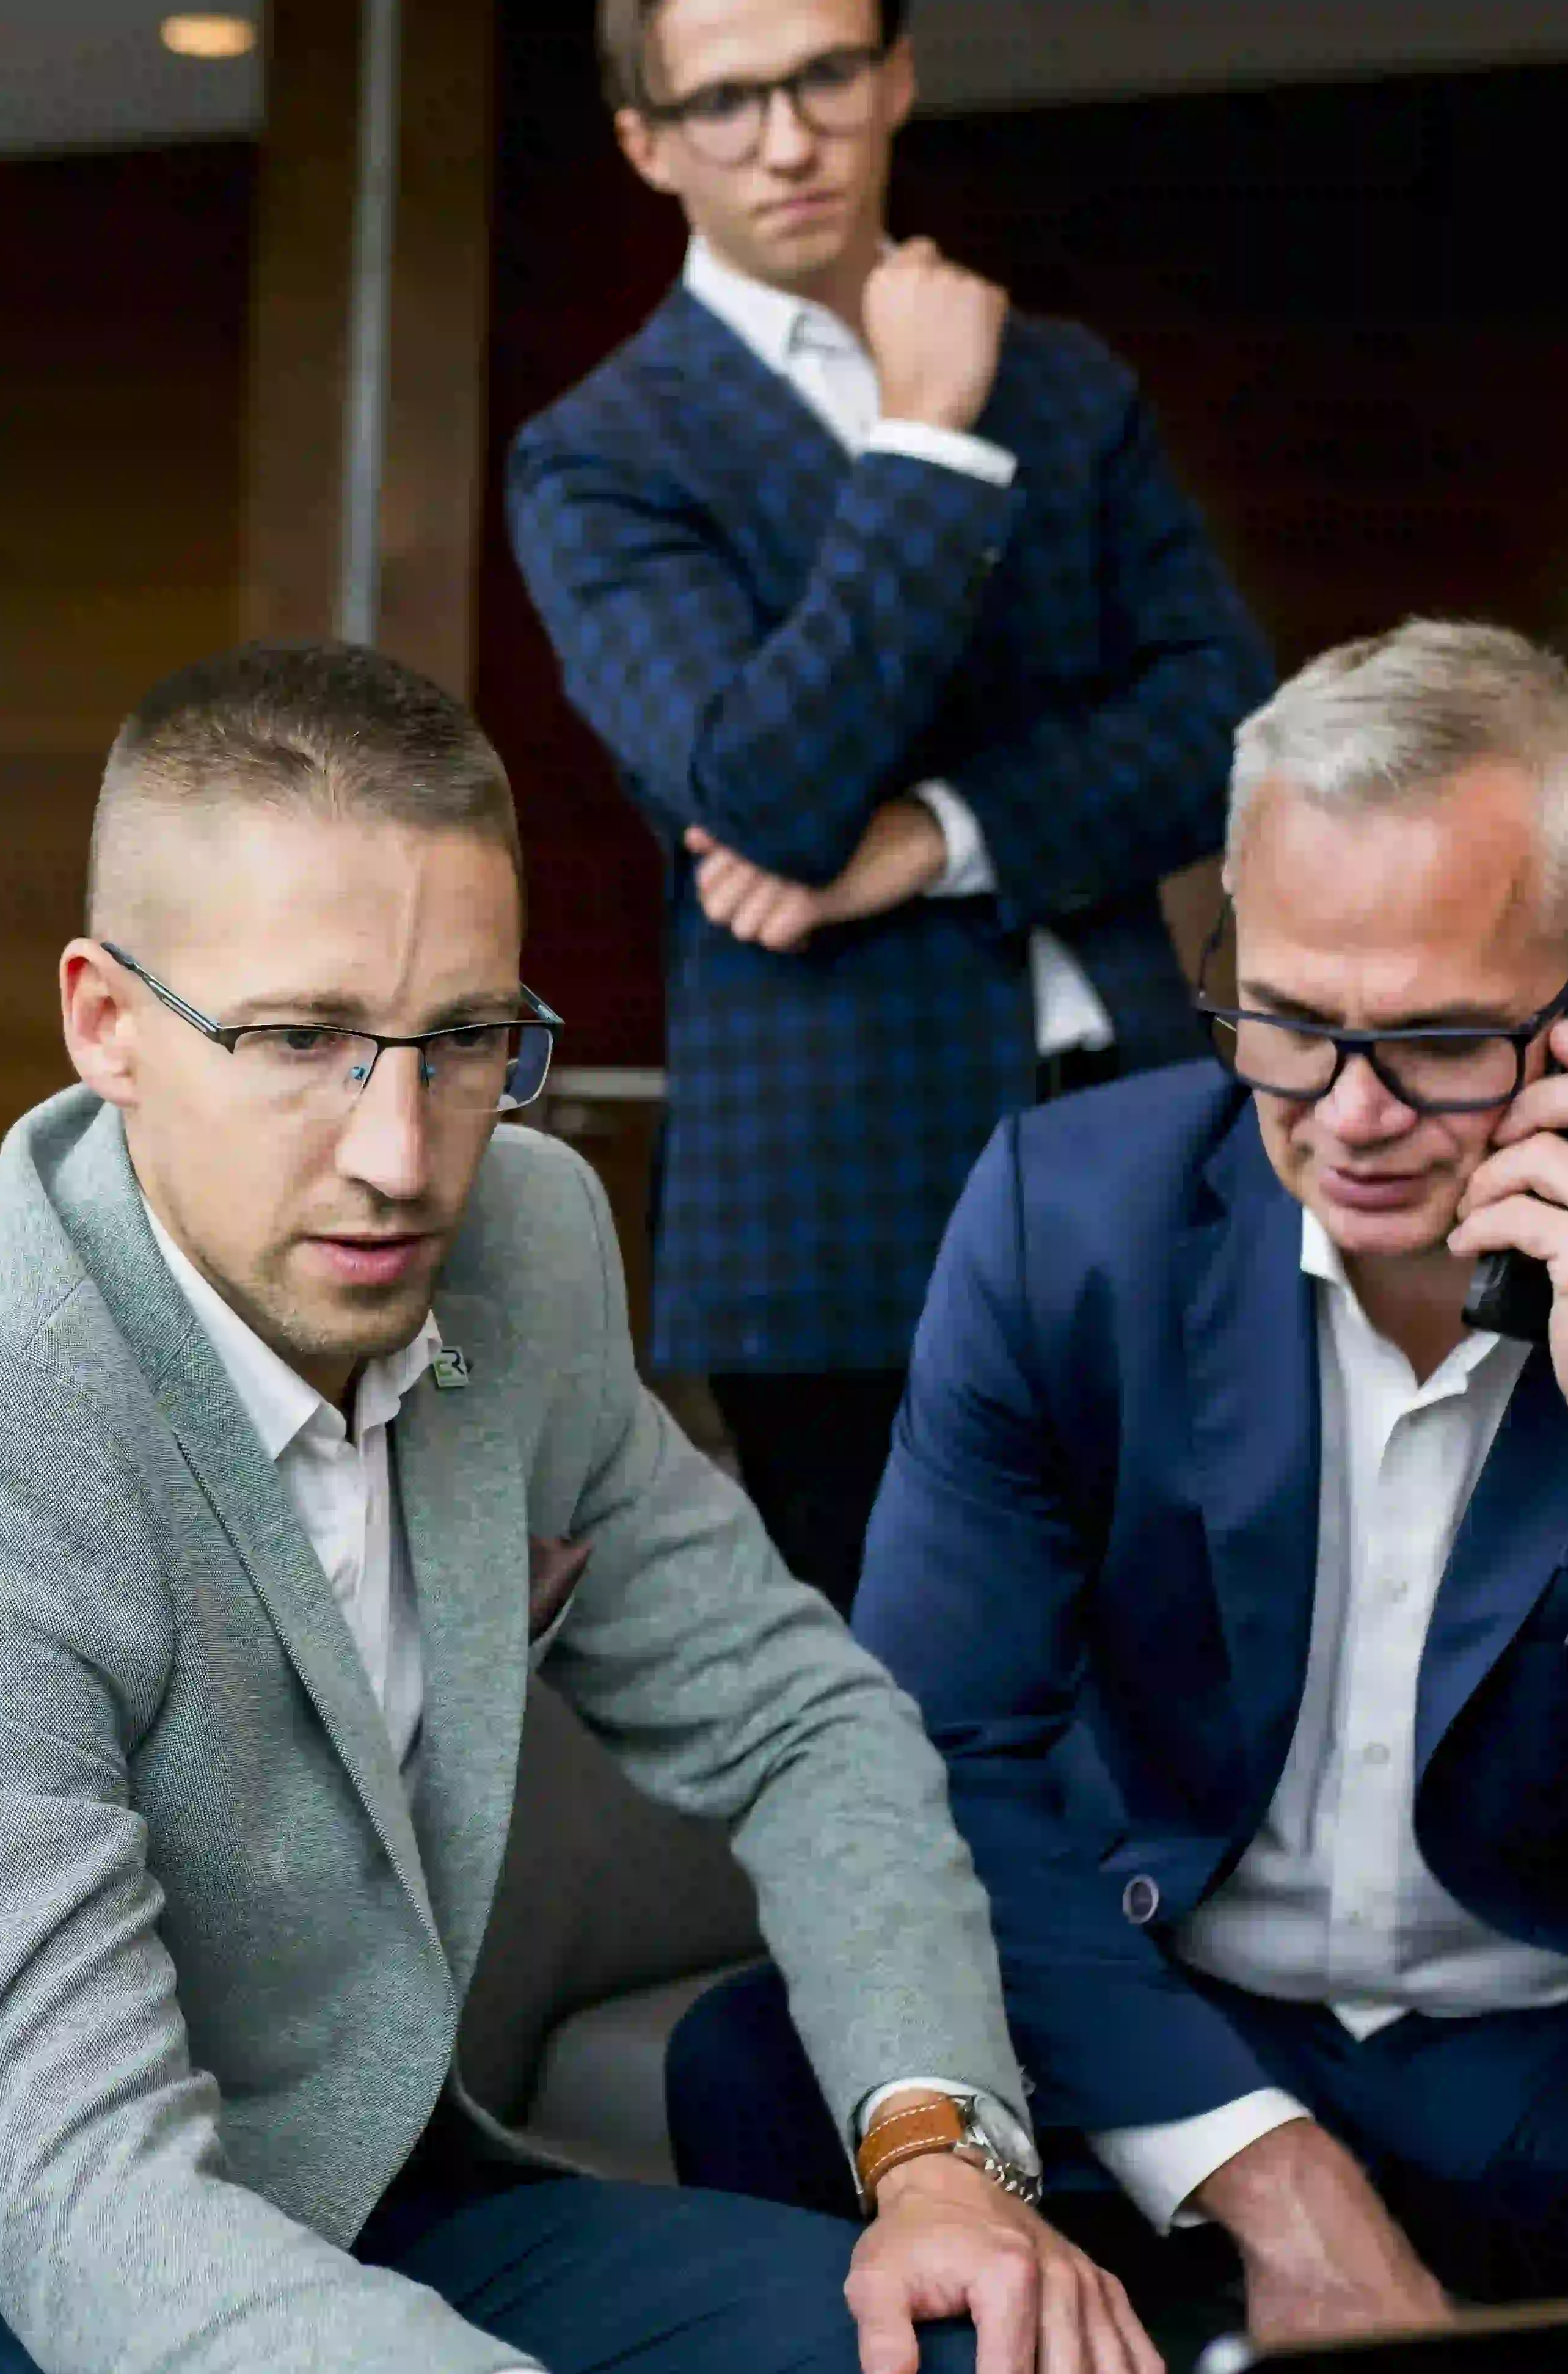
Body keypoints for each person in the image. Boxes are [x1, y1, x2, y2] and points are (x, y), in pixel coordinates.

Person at [0, 640, 1162, 2374]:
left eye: (467, 1039)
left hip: (396, 2197)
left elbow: (806, 1721)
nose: (402, 1159)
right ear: (105, 1020)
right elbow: (76, 2189)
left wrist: (938, 2148)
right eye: (299, 1039)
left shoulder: (527, 1245)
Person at [665, 621, 1568, 2328]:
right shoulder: (1066, 1221)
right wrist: (1256, 2160)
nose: (1350, 1114)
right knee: (779, 2064)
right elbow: (940, 1767)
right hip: (1186, 2019)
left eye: (1443, 1039)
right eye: (1287, 1018)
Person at [505, 0, 1270, 1616]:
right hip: (834, 1203)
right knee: (900, 1718)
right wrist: (922, 440)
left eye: (825, 76)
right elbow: (768, 792)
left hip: (1144, 1131)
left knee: (1173, 1667)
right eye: (724, 103)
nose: (788, 140)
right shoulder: (600, 457)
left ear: (896, 75)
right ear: (646, 143)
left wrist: (933, 837)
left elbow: (1228, 725)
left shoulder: (1066, 389)